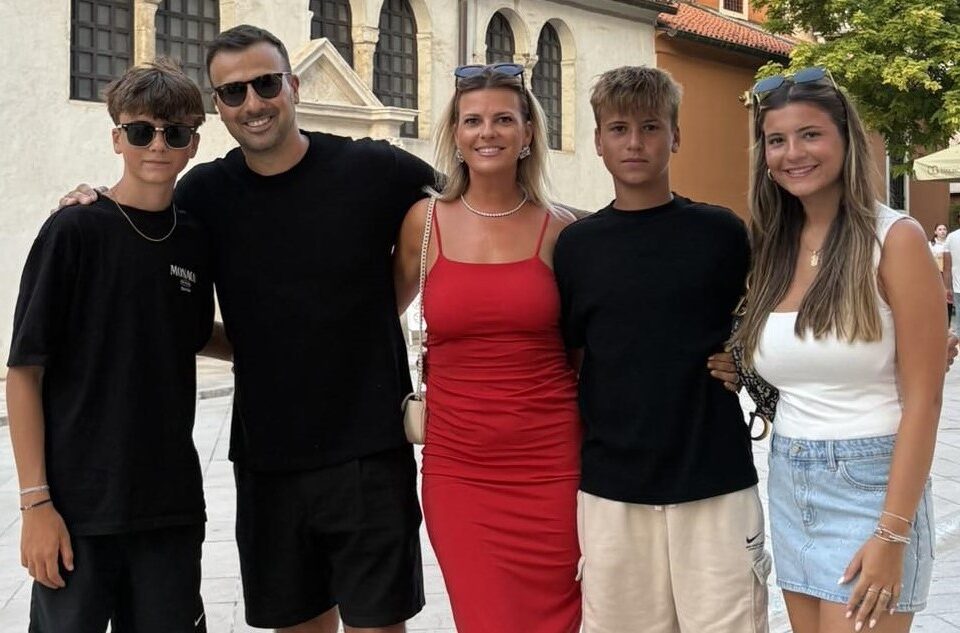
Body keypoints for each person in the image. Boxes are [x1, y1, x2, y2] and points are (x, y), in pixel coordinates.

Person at [60, 24, 435, 633]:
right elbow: (147, 252)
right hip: (267, 461)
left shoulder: (372, 166)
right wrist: (95, 202)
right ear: (218, 106)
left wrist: (389, 301)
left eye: (265, 84)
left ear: (291, 85)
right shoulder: (204, 193)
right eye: (232, 93)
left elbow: (467, 206)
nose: (252, 103)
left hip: (368, 453)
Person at [553, 66, 769, 633]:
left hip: (714, 478)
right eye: (618, 128)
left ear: (676, 135)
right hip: (612, 486)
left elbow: (769, 317)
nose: (634, 142)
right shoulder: (577, 246)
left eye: (650, 127)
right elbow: (576, 355)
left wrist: (746, 362)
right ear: (598, 141)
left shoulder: (720, 232)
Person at [733, 67, 943, 633]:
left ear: (846, 140)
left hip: (871, 486)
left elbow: (924, 402)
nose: (792, 153)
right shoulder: (773, 248)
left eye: (810, 135)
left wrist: (893, 532)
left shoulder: (894, 239)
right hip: (790, 477)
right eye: (776, 140)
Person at [6, 59, 212, 632]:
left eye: (174, 133)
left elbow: (193, 335)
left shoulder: (194, 238)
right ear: (117, 137)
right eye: (142, 131)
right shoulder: (74, 230)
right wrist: (35, 505)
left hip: (168, 506)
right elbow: (24, 372)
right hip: (77, 509)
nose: (158, 145)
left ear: (193, 142)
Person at [393, 63, 581, 632]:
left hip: (553, 466)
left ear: (528, 134)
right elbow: (371, 320)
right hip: (459, 470)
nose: (488, 132)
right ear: (455, 134)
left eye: (504, 119)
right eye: (472, 120)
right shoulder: (423, 224)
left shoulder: (562, 231)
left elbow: (589, 352)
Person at [929, 224, 953, 321]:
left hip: (947, 274)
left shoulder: (950, 244)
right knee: (936, 298)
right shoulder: (930, 245)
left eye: (944, 229)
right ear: (935, 232)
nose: (942, 231)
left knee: (948, 297)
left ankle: (947, 322)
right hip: (935, 274)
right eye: (940, 229)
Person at [945, 213, 960, 333]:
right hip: (957, 287)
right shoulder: (951, 237)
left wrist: (947, 287)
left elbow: (947, 267)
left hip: (957, 287)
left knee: (958, 326)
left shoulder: (951, 237)